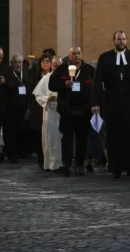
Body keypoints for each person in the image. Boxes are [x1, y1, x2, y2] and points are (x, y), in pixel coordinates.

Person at [91, 30, 130, 178]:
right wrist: (95, 102)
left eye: (123, 39)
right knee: (113, 135)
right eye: (118, 39)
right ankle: (115, 167)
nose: (121, 41)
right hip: (111, 102)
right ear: (114, 41)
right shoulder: (105, 57)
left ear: (126, 40)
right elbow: (97, 82)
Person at [49, 47, 95, 176]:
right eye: (73, 54)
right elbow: (51, 85)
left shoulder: (89, 70)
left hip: (84, 110)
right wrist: (63, 85)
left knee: (82, 139)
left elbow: (96, 87)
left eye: (78, 53)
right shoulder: (61, 69)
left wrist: (95, 104)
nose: (76, 56)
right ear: (69, 56)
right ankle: (66, 164)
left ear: (81, 55)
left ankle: (80, 164)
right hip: (67, 110)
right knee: (67, 138)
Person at [33, 56, 63, 171]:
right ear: (51, 66)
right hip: (50, 113)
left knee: (62, 139)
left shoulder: (67, 78)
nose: (58, 68)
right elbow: (38, 95)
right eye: (56, 66)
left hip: (63, 113)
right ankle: (50, 164)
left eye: (60, 66)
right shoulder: (46, 79)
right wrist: (47, 99)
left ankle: (61, 163)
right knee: (50, 139)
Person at [3, 54, 32, 163]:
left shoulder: (26, 73)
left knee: (22, 131)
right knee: (11, 132)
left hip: (24, 107)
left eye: (20, 62)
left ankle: (22, 152)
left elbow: (29, 89)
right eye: (15, 62)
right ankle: (11, 154)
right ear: (11, 63)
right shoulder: (7, 74)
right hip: (10, 108)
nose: (18, 64)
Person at [28, 53, 52, 169]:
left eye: (48, 61)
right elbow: (32, 92)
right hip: (38, 108)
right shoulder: (36, 77)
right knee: (39, 135)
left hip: (52, 107)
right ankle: (41, 160)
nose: (45, 63)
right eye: (43, 61)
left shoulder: (54, 75)